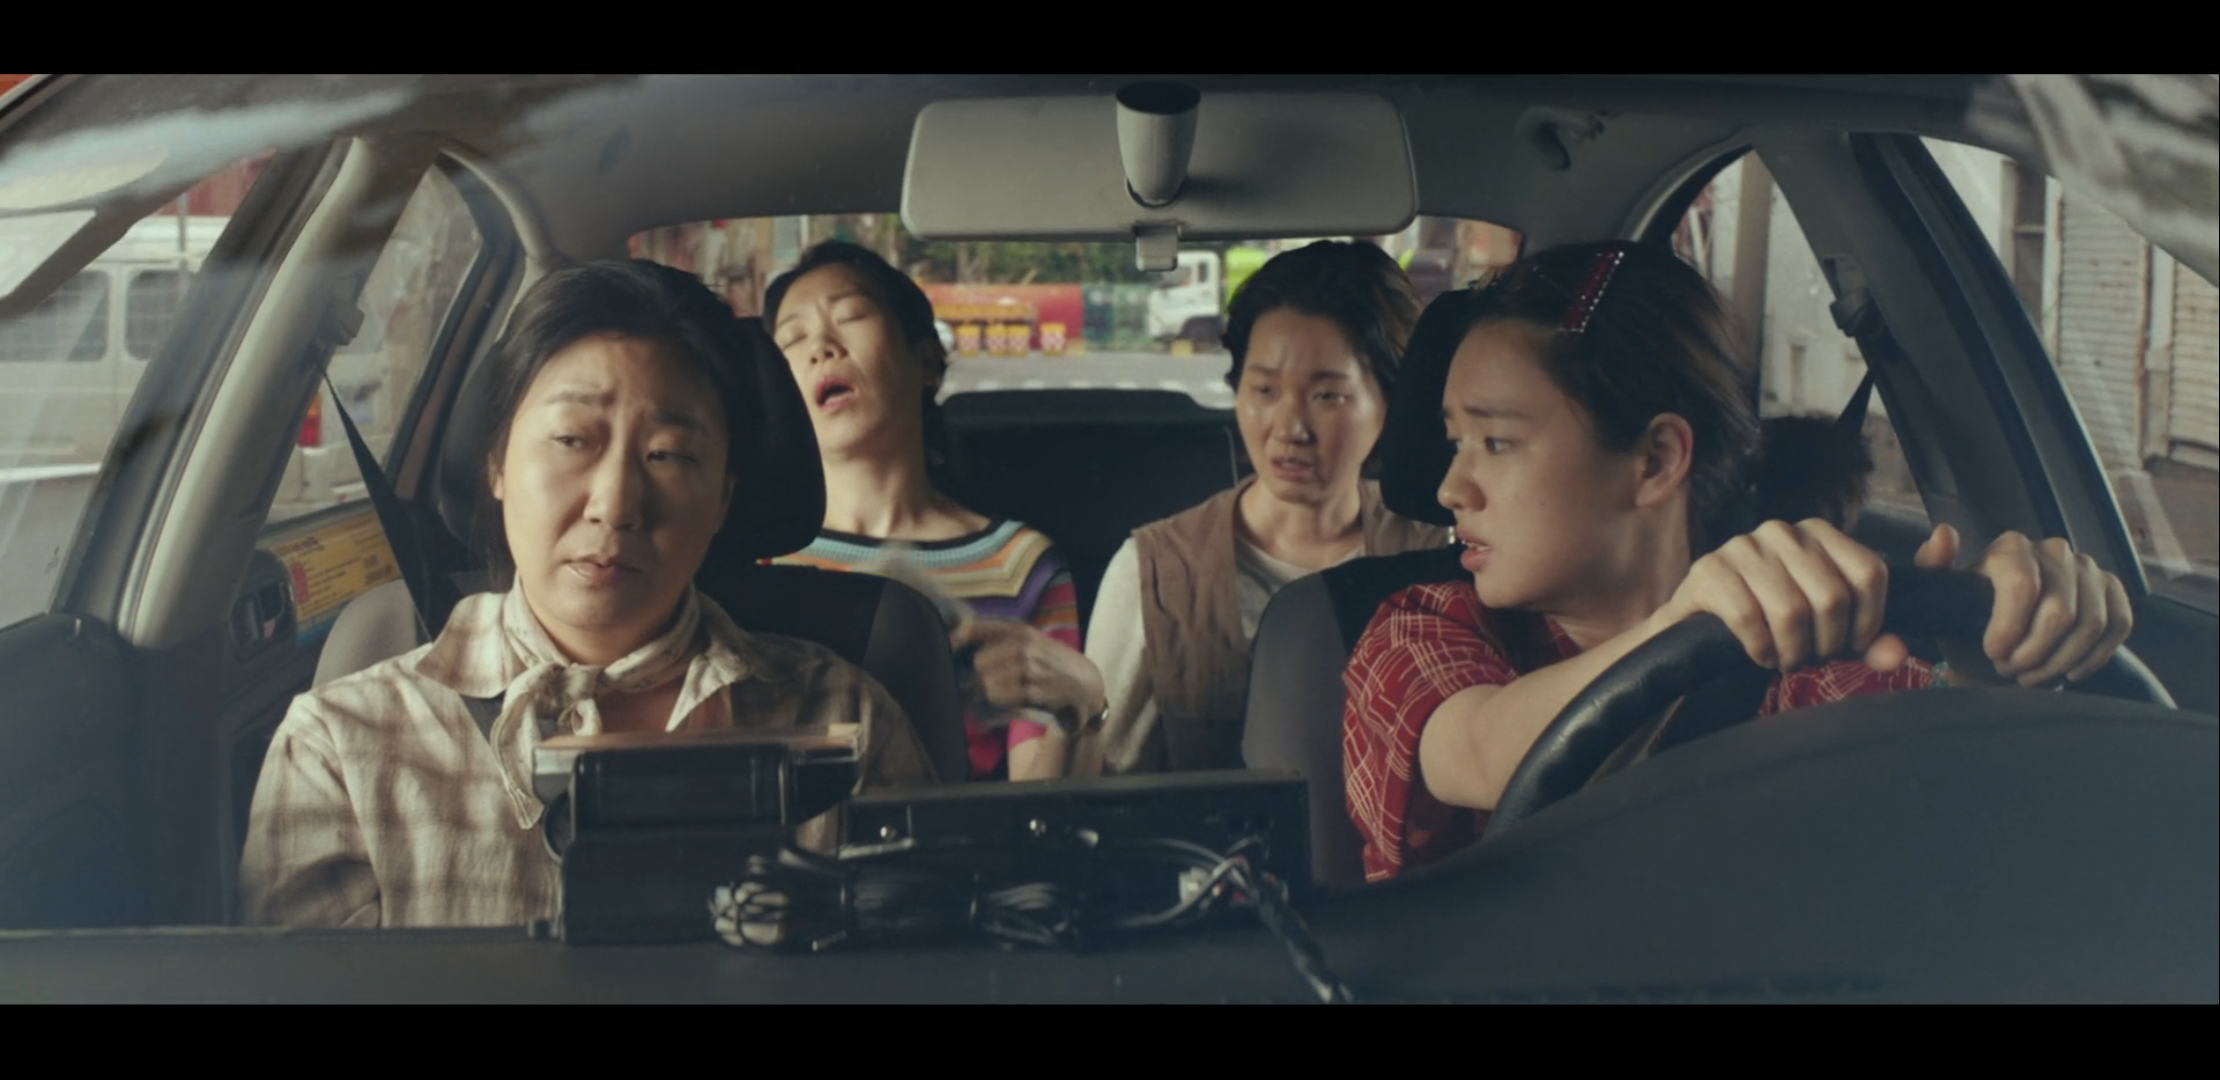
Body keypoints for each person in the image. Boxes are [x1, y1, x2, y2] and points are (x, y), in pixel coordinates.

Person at [1343, 242, 2134, 881]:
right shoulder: (1417, 634)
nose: (1451, 487)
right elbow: (1482, 750)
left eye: (1495, 442)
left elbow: (1958, 813)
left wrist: (1998, 662)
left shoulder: (1807, 660)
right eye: (1456, 442)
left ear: (1656, 460)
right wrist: (1682, 627)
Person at [240, 261, 933, 928]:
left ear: (724, 497)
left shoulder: (844, 721)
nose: (616, 504)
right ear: (496, 464)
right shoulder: (345, 746)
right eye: (572, 439)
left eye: (668, 454)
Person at [1080, 241, 1448, 776]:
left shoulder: (1438, 553)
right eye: (1265, 390)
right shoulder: (1153, 574)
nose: (1289, 429)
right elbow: (1099, 777)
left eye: (1326, 396)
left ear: (1389, 403)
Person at [763, 242, 1100, 781]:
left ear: (924, 359)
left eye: (851, 316)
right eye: (792, 339)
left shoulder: (1022, 564)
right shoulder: (758, 565)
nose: (821, 347)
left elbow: (1038, 802)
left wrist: (1081, 701)